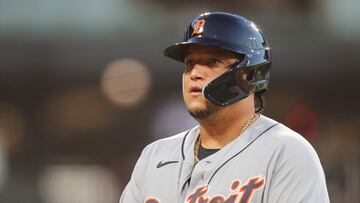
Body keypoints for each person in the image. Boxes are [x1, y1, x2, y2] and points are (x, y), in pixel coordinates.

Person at [119, 12, 330, 203]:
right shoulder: (154, 156)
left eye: (212, 61)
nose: (194, 73)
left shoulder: (285, 152)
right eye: (190, 63)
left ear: (249, 73)